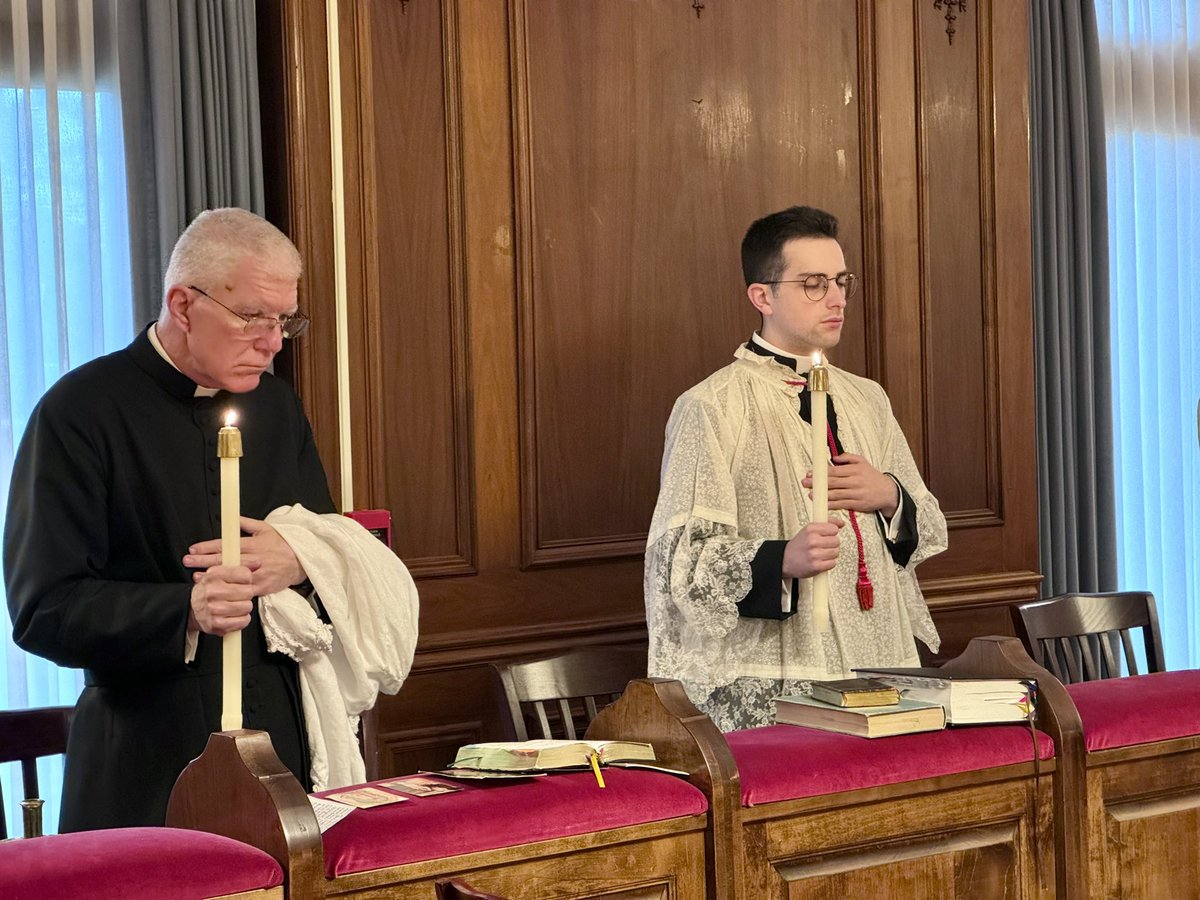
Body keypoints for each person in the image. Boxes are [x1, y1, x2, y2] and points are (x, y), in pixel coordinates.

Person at [5, 208, 338, 831]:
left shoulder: (278, 408)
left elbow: (328, 547)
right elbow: (42, 610)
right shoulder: (79, 413)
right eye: (253, 318)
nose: (273, 343)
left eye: (284, 320)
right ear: (183, 305)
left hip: (280, 752)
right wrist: (184, 610)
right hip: (142, 760)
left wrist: (301, 558)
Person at [644, 205, 947, 731]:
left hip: (880, 662)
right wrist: (782, 559)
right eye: (813, 283)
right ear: (762, 296)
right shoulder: (713, 406)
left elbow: (929, 524)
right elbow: (679, 566)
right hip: (777, 681)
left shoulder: (867, 398)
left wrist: (889, 497)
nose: (837, 298)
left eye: (840, 281)